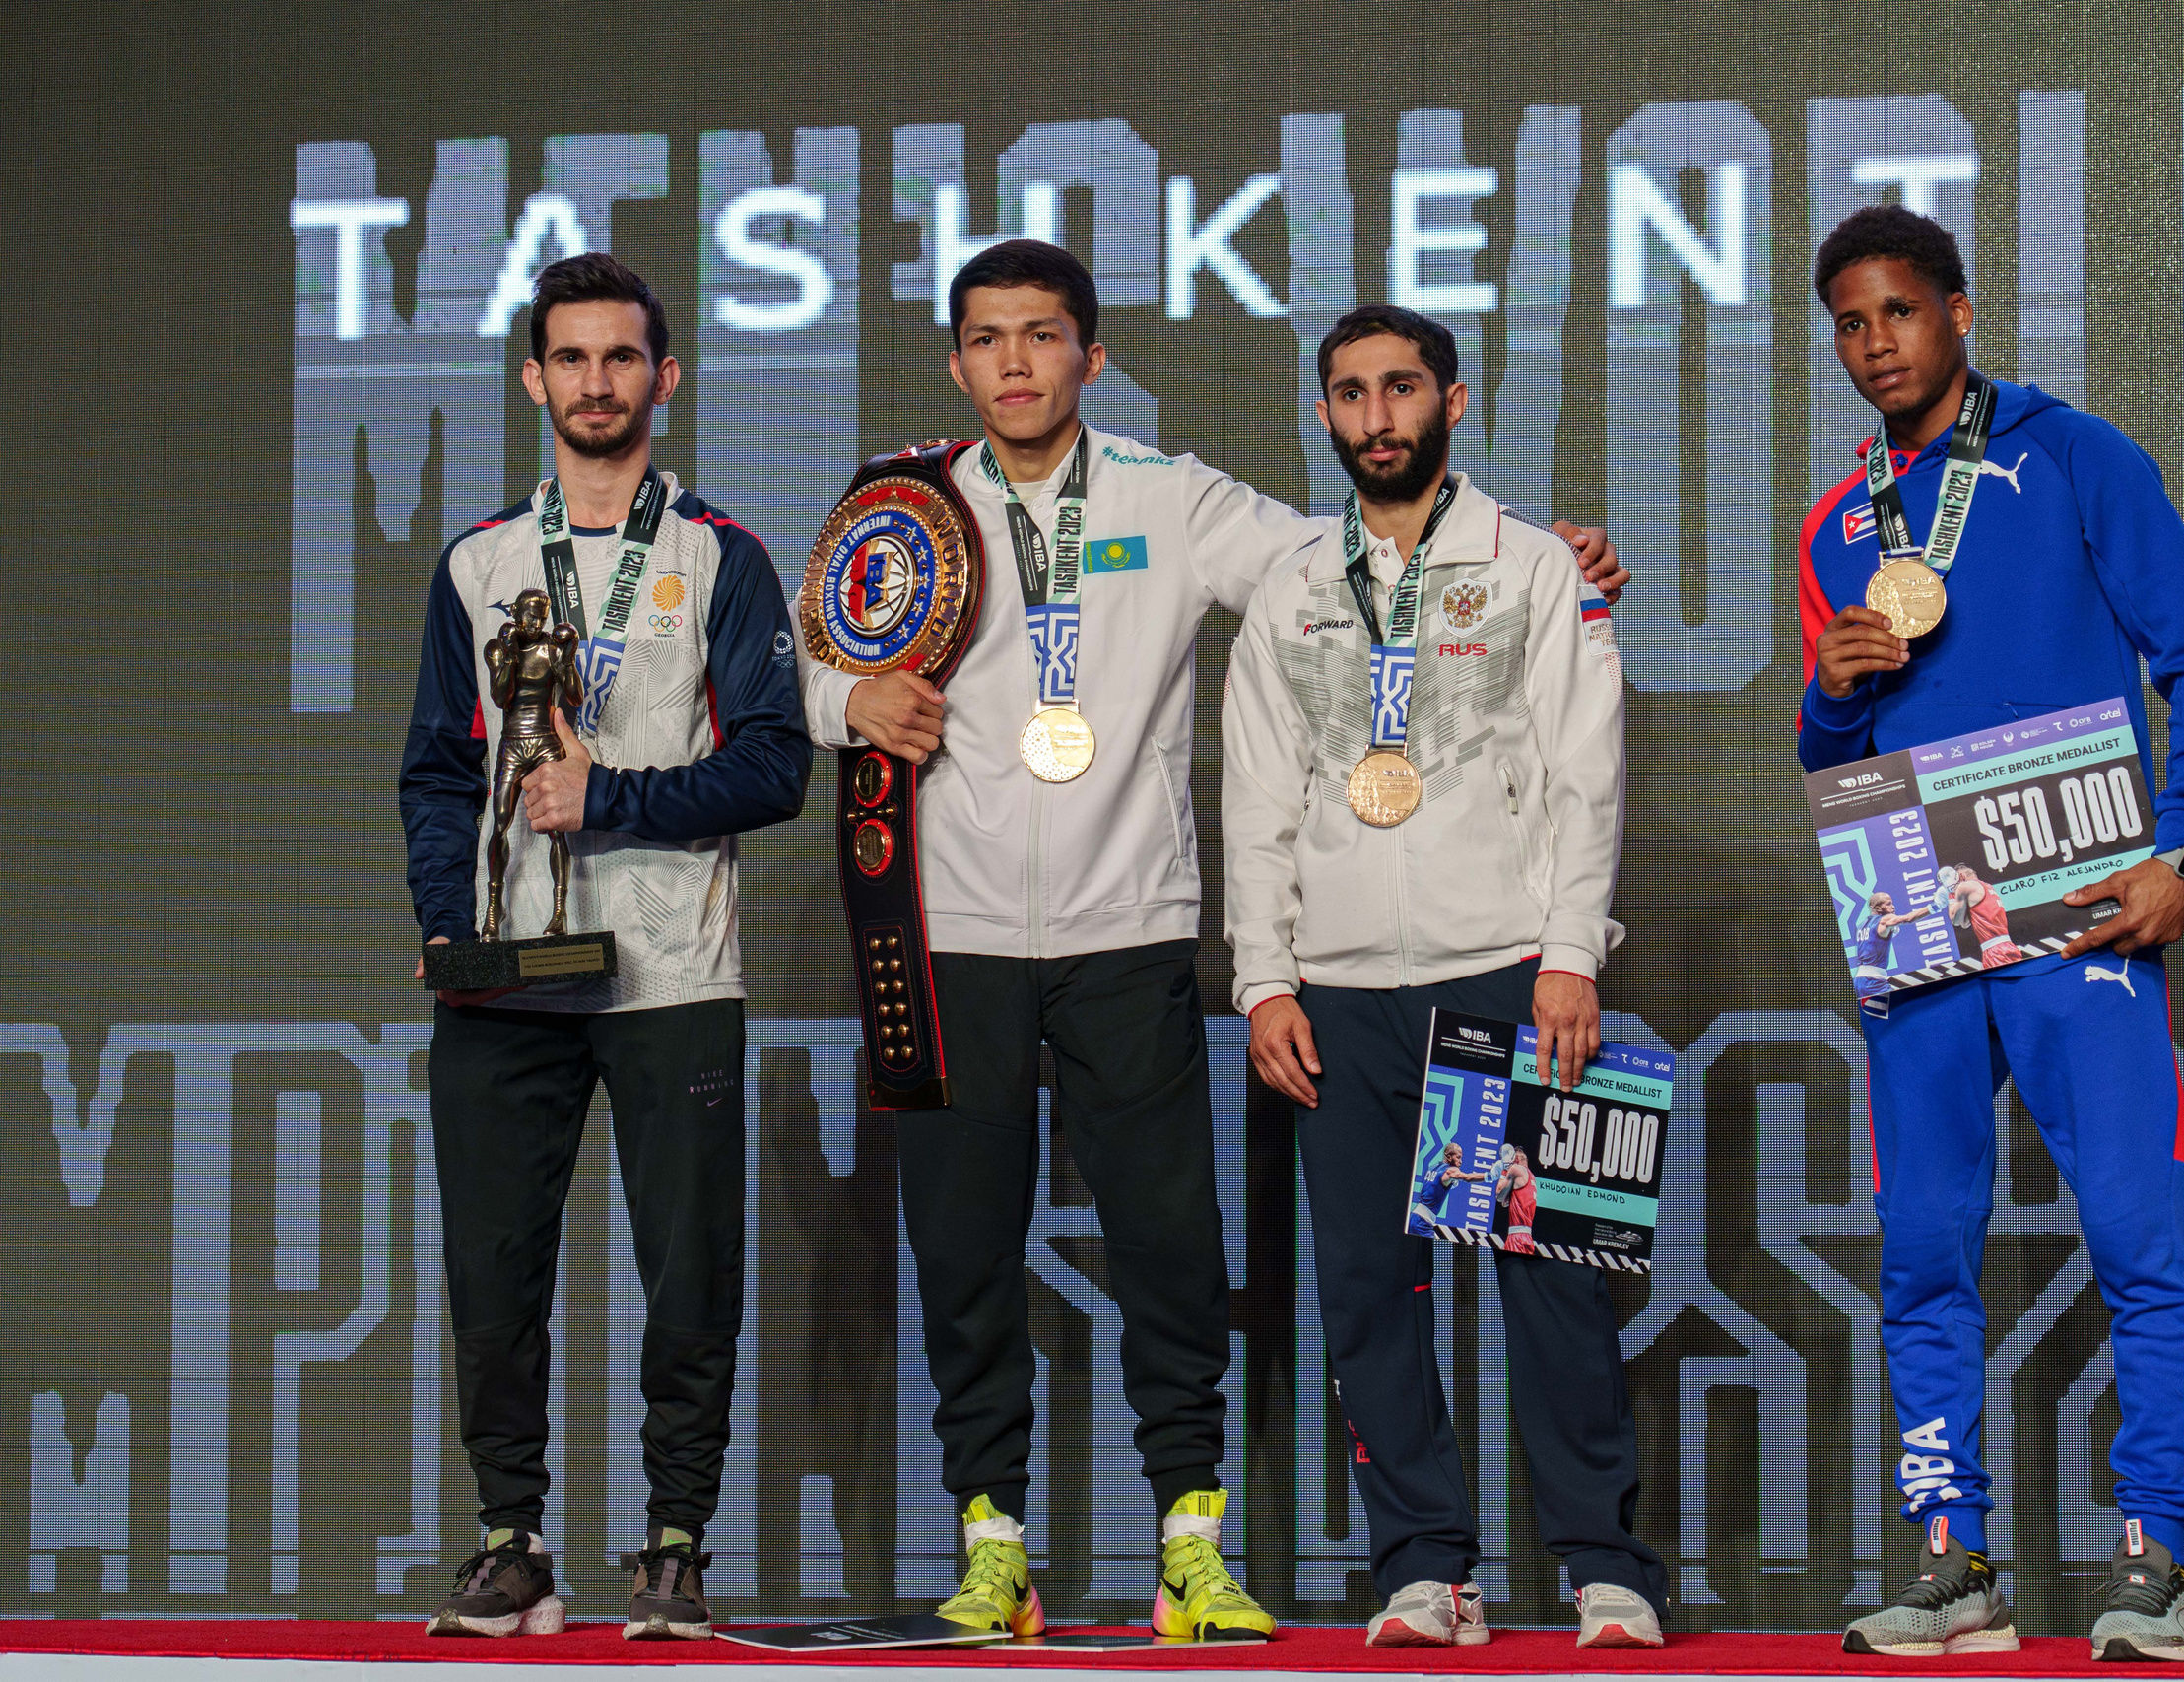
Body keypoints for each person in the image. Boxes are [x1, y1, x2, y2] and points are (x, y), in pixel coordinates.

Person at [797, 242, 1628, 1642]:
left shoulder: (1170, 499)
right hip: (952, 936)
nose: (1015, 361)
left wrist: (1546, 560)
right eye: (988, 338)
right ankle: (991, 1540)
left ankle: (1192, 1544)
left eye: (1044, 335)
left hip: (1135, 937)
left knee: (1174, 1253)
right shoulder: (906, 506)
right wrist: (847, 704)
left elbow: (1355, 561)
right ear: (955, 362)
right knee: (963, 1252)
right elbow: (799, 654)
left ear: (1092, 355)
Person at [1798, 206, 2184, 1662]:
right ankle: (1954, 1562)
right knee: (1924, 1249)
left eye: (1900, 314)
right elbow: (1833, 752)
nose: (1877, 344)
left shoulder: (2073, 455)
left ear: (1961, 313)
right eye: (1852, 323)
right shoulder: (1834, 523)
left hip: (2083, 910)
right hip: (1923, 923)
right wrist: (1834, 687)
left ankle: (2152, 1562)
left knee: (2137, 1237)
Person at [1225, 303, 1668, 1650]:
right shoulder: (1291, 584)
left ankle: (1607, 1565)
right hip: (1341, 988)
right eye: (1351, 393)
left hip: (1508, 967)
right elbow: (1258, 793)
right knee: (1369, 1285)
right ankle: (1422, 1565)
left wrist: (1571, 952)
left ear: (1453, 402)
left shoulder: (1535, 565)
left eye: (1401, 388)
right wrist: (1264, 981)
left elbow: (1587, 775)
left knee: (1556, 1274)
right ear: (1325, 414)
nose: (1377, 416)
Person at [400, 252, 811, 1641]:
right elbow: (437, 774)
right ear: (533, 378)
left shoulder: (723, 560)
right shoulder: (479, 564)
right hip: (508, 969)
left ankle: (675, 1543)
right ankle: (510, 1539)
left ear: (665, 377)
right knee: (492, 1267)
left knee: (690, 1272)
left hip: (670, 970)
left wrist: (617, 796)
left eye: (621, 358)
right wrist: (446, 922)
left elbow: (775, 766)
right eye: (569, 359)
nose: (595, 382)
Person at [1852, 891, 1932, 999]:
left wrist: (1890, 931)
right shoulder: (1884, 920)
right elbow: (1908, 919)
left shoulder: (1862, 925)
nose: (1893, 907)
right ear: (1878, 908)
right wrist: (1935, 906)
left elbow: (1873, 944)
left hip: (1859, 980)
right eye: (1888, 904)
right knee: (1904, 1008)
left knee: (1880, 1015)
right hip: (1873, 981)